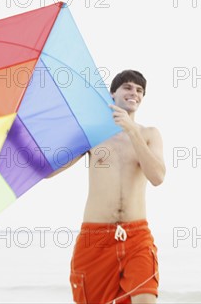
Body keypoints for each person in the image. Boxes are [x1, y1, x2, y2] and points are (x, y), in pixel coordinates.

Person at [49, 70, 166, 304]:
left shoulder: (149, 134)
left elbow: (157, 177)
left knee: (145, 299)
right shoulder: (93, 135)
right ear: (113, 93)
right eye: (128, 87)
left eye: (139, 90)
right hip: (95, 236)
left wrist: (132, 131)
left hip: (136, 236)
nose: (134, 93)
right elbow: (51, 171)